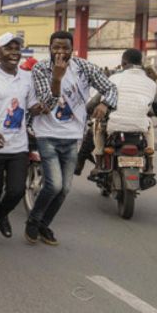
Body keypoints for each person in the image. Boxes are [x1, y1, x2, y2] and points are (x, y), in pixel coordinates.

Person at [27, 31, 117, 246]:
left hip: (73, 136)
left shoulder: (83, 67)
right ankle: (33, 220)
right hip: (47, 133)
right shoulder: (40, 69)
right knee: (54, 184)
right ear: (49, 48)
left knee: (65, 188)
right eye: (56, 47)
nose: (60, 52)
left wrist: (105, 104)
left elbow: (110, 87)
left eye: (65, 48)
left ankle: (43, 224)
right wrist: (57, 78)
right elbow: (46, 104)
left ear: (72, 49)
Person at [0, 33, 42, 248]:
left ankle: (1, 213)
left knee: (16, 190)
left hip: (19, 145)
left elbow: (32, 105)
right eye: (8, 47)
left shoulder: (27, 78)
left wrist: (41, 107)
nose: (14, 52)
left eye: (17, 48)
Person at [92, 49, 157, 176]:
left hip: (115, 125)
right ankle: (150, 165)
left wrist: (88, 109)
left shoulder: (113, 78)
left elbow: (95, 101)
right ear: (140, 63)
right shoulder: (151, 83)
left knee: (98, 125)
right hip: (139, 126)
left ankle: (99, 163)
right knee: (149, 125)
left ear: (123, 63)